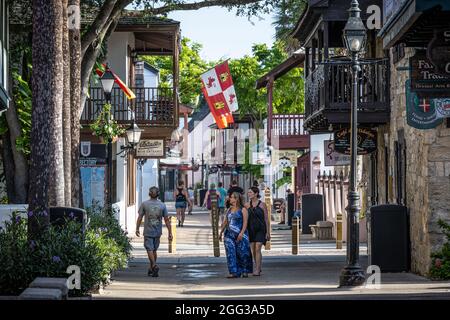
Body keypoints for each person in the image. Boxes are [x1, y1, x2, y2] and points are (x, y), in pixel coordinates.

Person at [135, 186, 172, 277]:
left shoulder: (144, 204)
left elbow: (140, 217)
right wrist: (170, 232)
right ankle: (151, 268)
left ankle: (154, 266)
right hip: (157, 231)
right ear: (158, 194)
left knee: (149, 249)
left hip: (148, 231)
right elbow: (167, 220)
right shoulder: (162, 205)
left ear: (149, 194)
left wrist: (137, 228)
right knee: (154, 250)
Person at [219, 192, 253, 278]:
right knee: (230, 253)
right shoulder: (229, 210)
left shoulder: (243, 210)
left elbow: (245, 223)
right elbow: (225, 222)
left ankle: (245, 270)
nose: (230, 199)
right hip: (229, 234)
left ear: (236, 199)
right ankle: (233, 272)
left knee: (243, 253)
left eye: (232, 197)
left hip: (241, 234)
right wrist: (220, 233)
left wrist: (241, 233)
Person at [245, 187, 270, 276]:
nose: (249, 194)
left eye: (251, 192)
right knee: (253, 249)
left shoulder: (262, 205)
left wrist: (268, 232)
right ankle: (257, 266)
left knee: (258, 247)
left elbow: (266, 219)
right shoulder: (247, 205)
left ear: (256, 194)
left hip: (260, 229)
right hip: (250, 229)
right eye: (248, 193)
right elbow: (244, 219)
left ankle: (258, 269)